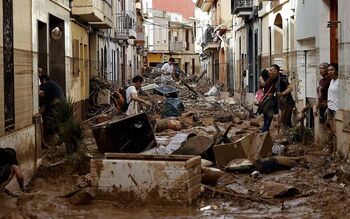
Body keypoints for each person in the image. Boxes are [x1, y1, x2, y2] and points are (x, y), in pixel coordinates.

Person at [260, 64, 280, 132]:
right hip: (268, 100)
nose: (269, 72)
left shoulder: (268, 79)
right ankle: (264, 134)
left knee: (267, 118)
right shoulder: (269, 78)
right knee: (268, 118)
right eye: (269, 70)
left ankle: (264, 133)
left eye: (270, 70)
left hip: (267, 99)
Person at [326, 63, 339, 148]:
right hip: (330, 106)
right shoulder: (331, 81)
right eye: (329, 70)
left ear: (336, 71)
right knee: (327, 125)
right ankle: (331, 146)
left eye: (332, 70)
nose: (330, 72)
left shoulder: (339, 81)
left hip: (336, 108)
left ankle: (335, 148)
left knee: (335, 129)